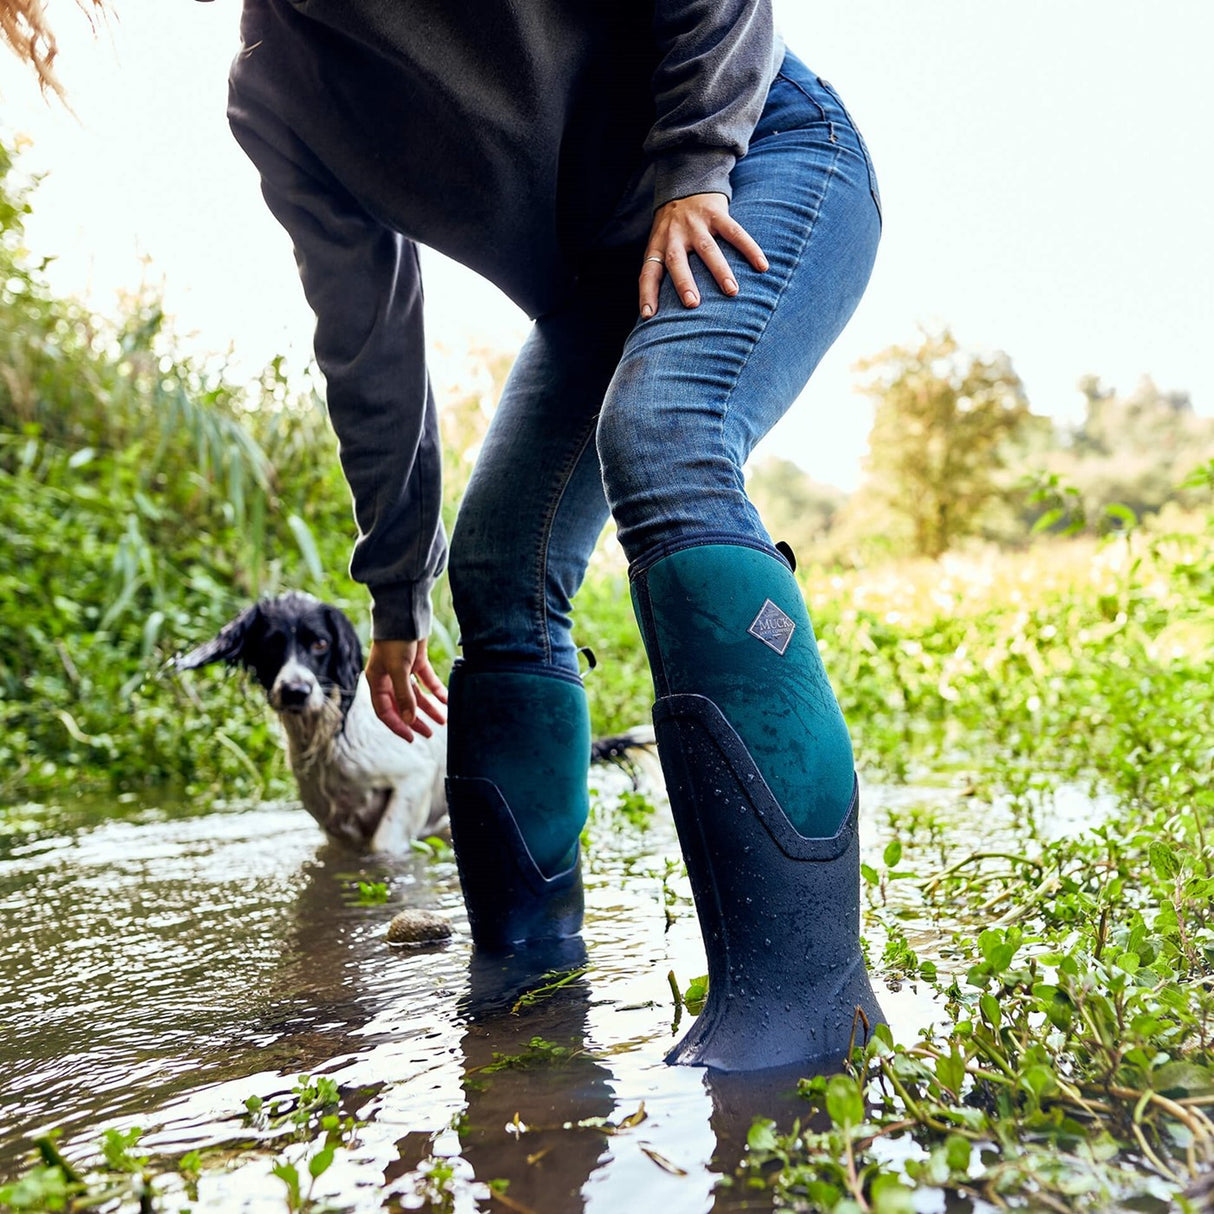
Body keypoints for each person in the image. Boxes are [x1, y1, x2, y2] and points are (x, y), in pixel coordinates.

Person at [7, 0, 884, 1071]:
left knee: (663, 439)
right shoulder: (274, 94)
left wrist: (696, 161)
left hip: (755, 157)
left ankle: (802, 1002)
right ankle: (527, 976)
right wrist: (393, 600)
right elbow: (369, 356)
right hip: (590, 290)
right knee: (495, 572)